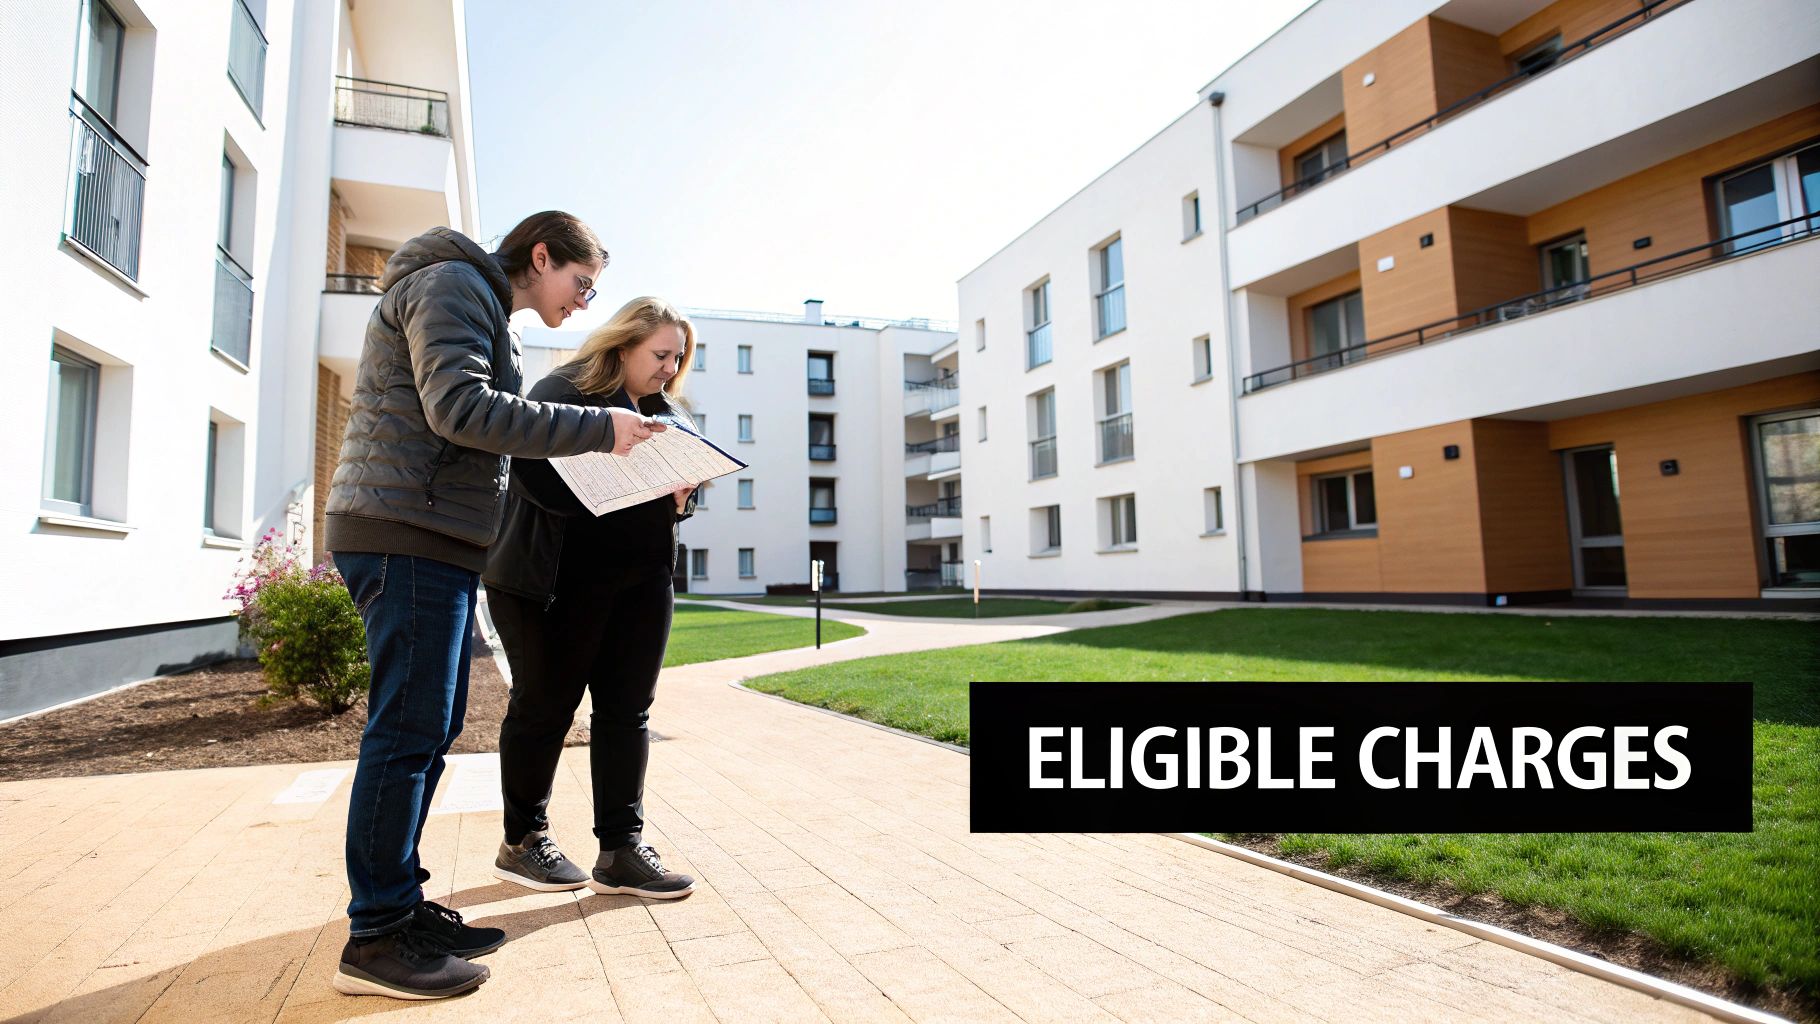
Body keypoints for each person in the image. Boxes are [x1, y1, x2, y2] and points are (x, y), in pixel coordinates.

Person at [324, 213, 666, 1000]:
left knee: (429, 730)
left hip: (433, 535)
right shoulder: (451, 285)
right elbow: (462, 411)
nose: (583, 302)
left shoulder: (479, 305)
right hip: (405, 532)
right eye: (579, 283)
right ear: (539, 256)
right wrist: (599, 431)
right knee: (406, 735)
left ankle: (400, 910)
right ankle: (375, 938)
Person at [482, 297, 700, 902]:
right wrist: (611, 483)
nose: (668, 368)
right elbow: (525, 472)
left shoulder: (669, 413)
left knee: (628, 712)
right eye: (659, 355)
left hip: (643, 580)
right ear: (622, 345)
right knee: (545, 709)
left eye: (677, 357)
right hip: (555, 577)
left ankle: (621, 851)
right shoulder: (562, 390)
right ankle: (523, 843)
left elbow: (683, 492)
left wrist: (682, 495)